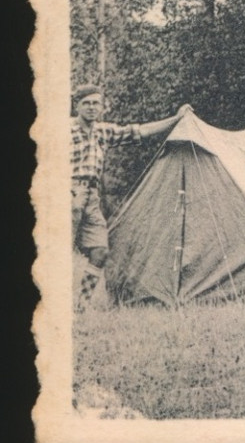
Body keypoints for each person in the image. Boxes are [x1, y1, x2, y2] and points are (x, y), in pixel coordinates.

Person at [71, 84, 190, 305]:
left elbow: (140, 131)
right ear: (76, 105)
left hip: (92, 196)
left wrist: (175, 119)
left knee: (100, 251)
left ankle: (81, 305)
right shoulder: (64, 130)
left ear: (101, 107)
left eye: (95, 103)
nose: (91, 107)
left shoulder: (102, 131)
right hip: (67, 192)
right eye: (85, 103)